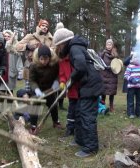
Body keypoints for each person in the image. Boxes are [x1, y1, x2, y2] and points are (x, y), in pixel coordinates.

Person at [53, 26, 103, 158]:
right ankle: (80, 140)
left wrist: (71, 80)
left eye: (58, 46)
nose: (58, 49)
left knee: (87, 117)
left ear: (63, 43)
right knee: (80, 113)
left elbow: (80, 66)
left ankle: (91, 148)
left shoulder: (74, 47)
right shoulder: (75, 47)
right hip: (86, 86)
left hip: (90, 86)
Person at [27, 45, 62, 135]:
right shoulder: (33, 65)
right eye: (41, 59)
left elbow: (59, 74)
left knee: (53, 104)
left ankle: (56, 122)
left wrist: (56, 82)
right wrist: (37, 90)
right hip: (37, 89)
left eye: (46, 59)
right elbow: (31, 80)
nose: (44, 61)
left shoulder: (55, 64)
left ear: (50, 58)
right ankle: (33, 126)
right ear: (38, 58)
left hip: (49, 89)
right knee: (35, 106)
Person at [0, 30, 23, 94]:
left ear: (12, 37)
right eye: (5, 36)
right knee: (1, 91)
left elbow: (19, 62)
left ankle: (10, 104)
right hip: (2, 73)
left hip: (11, 73)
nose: (6, 37)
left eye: (9, 36)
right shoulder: (0, 48)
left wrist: (20, 73)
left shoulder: (16, 50)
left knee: (10, 92)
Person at [99, 39, 119, 112]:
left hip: (112, 75)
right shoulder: (103, 53)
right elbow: (99, 61)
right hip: (104, 75)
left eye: (110, 44)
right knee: (103, 92)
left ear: (112, 45)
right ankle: (103, 106)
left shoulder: (115, 54)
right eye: (107, 44)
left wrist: (113, 67)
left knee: (111, 92)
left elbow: (118, 64)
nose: (109, 46)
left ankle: (111, 107)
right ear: (106, 45)